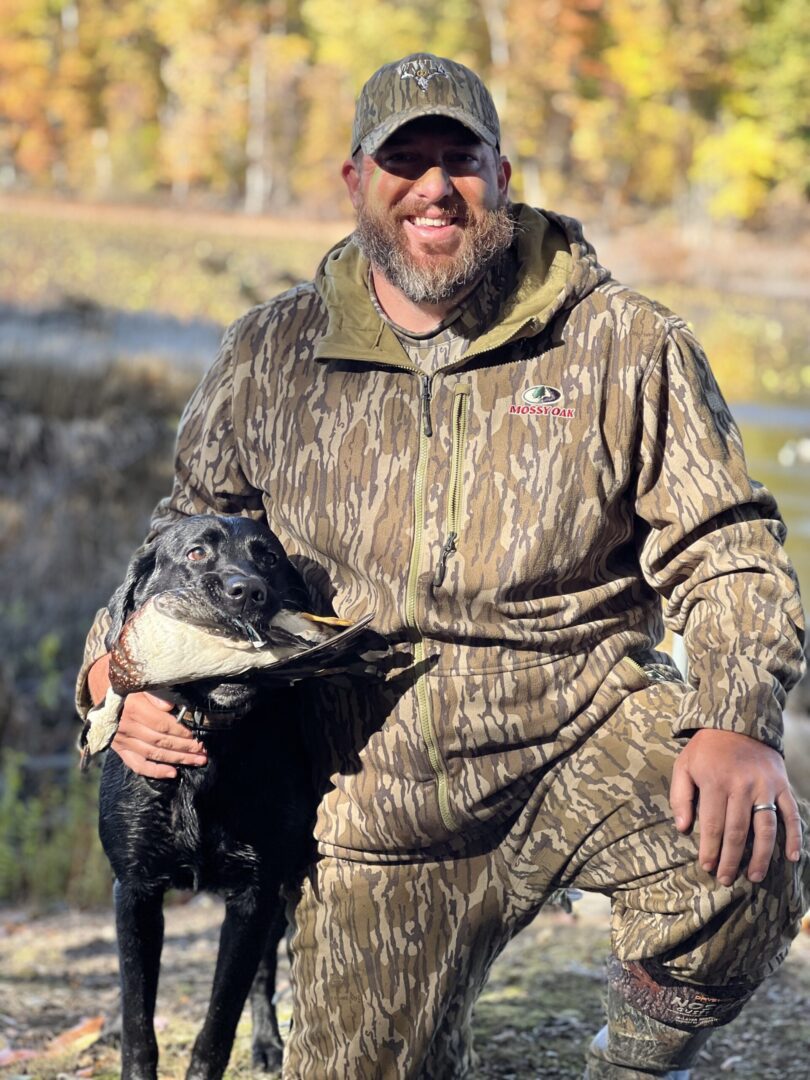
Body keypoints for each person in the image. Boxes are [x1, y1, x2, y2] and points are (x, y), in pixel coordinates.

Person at [79, 53, 809, 1079]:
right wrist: (121, 686)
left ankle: (634, 1063)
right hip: (371, 807)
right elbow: (176, 555)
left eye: (457, 158)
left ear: (501, 175)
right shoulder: (270, 355)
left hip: (580, 734)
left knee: (751, 844)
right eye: (402, 159)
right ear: (355, 182)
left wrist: (735, 717)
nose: (433, 185)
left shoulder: (623, 344)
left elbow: (728, 547)